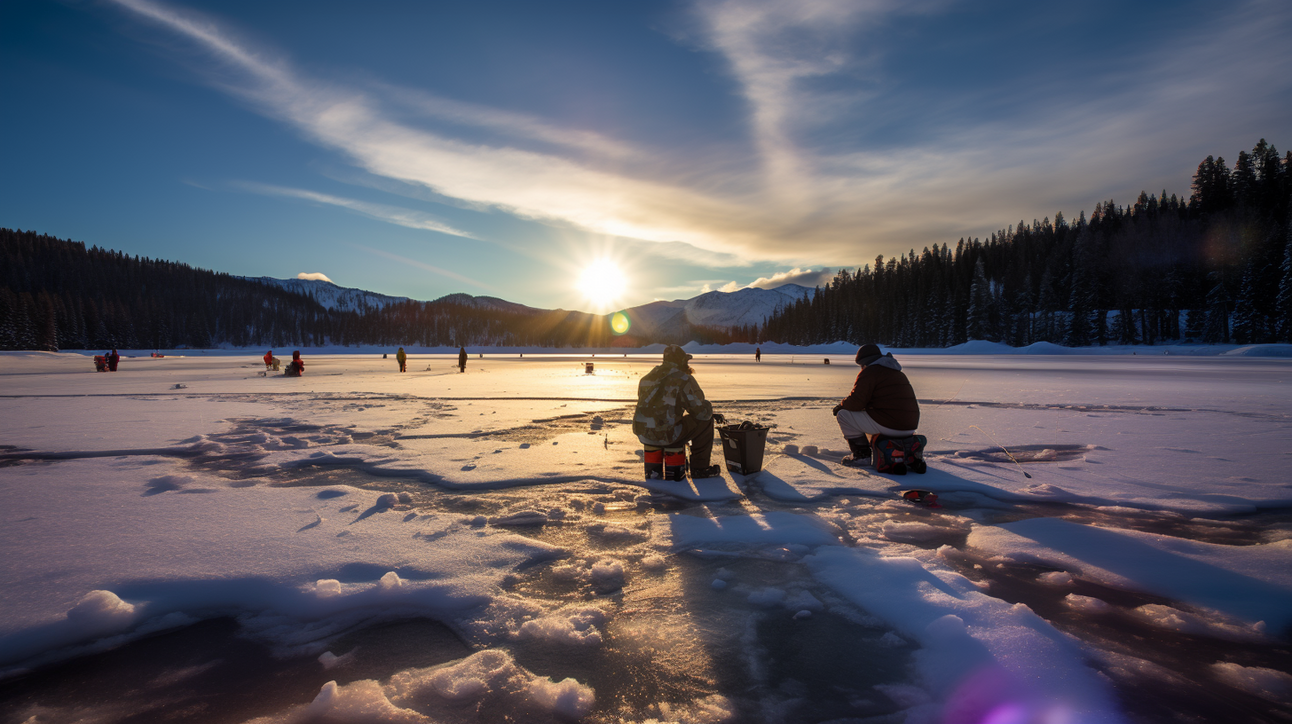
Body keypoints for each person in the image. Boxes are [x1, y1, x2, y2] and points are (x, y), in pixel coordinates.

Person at [633, 345, 725, 478]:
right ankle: (700, 468)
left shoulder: (646, 378)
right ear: (681, 361)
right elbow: (700, 413)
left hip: (644, 434)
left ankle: (657, 466)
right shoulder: (683, 379)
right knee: (706, 421)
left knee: (665, 422)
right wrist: (708, 409)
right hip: (668, 435)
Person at [832, 344, 919, 466]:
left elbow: (856, 402)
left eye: (861, 365)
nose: (861, 368)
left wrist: (842, 405)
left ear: (864, 361)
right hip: (909, 427)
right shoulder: (896, 372)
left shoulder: (870, 372)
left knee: (843, 415)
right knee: (865, 416)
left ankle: (861, 456)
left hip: (891, 425)